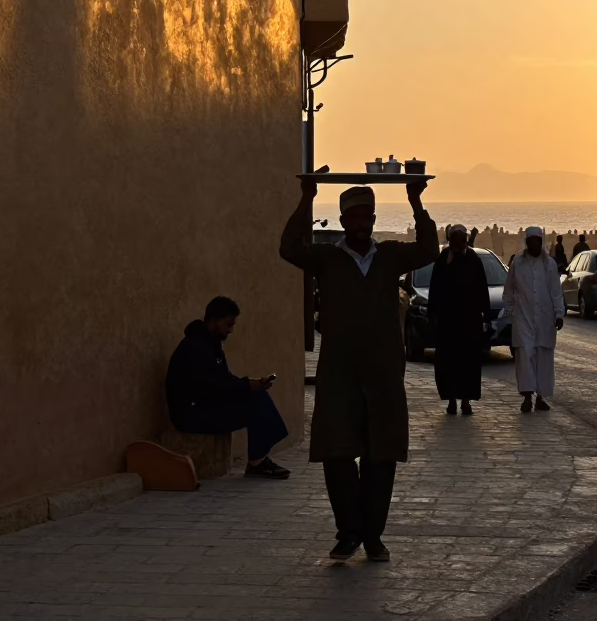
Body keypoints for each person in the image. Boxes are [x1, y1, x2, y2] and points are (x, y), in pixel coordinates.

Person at [280, 177, 438, 563]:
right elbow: (288, 247)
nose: (360, 223)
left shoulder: (390, 256)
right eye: (353, 217)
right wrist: (306, 198)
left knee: (381, 457)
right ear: (342, 220)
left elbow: (429, 248)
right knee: (337, 454)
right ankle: (348, 533)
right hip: (339, 375)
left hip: (383, 376)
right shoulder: (327, 259)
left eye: (366, 216)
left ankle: (373, 537)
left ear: (373, 219)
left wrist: (415, 201)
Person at [165, 296, 289, 479]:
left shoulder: (212, 345)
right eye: (228, 324)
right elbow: (209, 387)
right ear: (214, 320)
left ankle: (259, 460)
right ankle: (257, 463)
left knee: (257, 394)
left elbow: (224, 379)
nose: (230, 330)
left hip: (205, 406)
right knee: (254, 401)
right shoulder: (194, 347)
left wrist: (251, 383)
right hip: (191, 415)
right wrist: (246, 386)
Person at [428, 224, 490, 416]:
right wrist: (433, 317)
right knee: (448, 363)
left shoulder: (473, 259)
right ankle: (451, 400)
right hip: (447, 323)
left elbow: (481, 289)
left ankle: (465, 401)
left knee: (468, 364)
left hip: (469, 322)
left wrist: (485, 316)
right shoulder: (443, 259)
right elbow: (435, 289)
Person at [503, 226, 565, 413]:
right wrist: (510, 311)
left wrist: (559, 313)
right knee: (525, 353)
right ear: (527, 243)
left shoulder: (550, 265)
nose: (534, 245)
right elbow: (508, 290)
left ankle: (541, 397)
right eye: (531, 242)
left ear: (541, 242)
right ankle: (527, 397)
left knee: (543, 357)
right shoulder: (518, 263)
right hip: (523, 318)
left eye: (537, 242)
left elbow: (556, 291)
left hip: (545, 319)